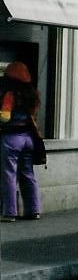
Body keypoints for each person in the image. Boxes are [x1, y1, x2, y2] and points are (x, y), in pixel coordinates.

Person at [0, 61, 42, 221]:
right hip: (29, 139)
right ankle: (33, 210)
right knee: (28, 174)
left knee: (9, 174)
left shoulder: (10, 94)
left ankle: (9, 212)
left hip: (11, 138)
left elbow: (5, 117)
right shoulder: (33, 94)